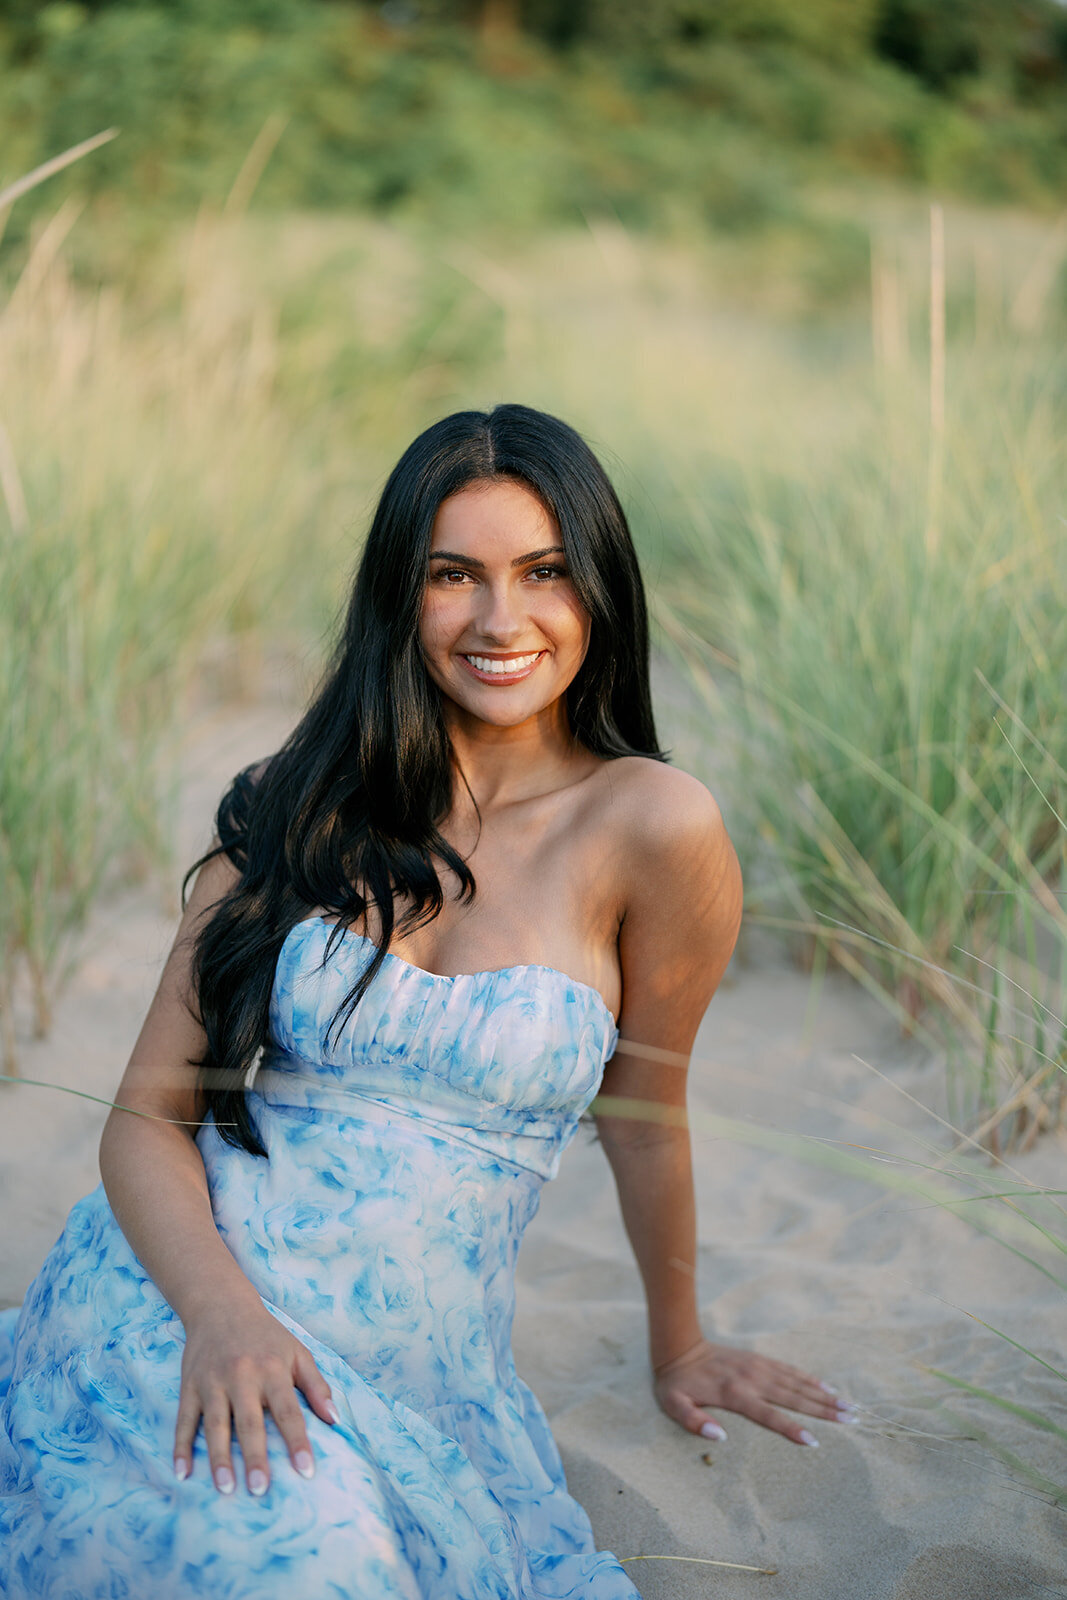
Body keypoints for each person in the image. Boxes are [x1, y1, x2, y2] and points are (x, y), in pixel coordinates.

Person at [0, 405, 853, 1598]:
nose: (502, 621)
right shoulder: (297, 800)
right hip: (181, 1302)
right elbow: (146, 1118)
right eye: (455, 575)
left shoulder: (651, 824)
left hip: (414, 1374)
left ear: (597, 587)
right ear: (401, 594)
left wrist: (683, 1339)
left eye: (543, 572)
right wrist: (223, 1317)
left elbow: (645, 1108)